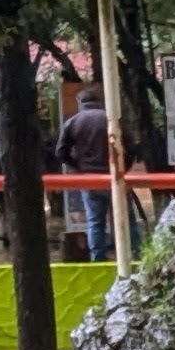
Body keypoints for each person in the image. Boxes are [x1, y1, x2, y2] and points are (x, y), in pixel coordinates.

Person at [53, 93, 114, 260]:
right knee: (125, 218)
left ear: (79, 101)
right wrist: (123, 169)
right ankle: (135, 256)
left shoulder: (73, 122)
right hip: (113, 176)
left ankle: (98, 259)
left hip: (89, 179)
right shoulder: (110, 119)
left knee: (95, 221)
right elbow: (130, 147)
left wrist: (77, 167)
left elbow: (60, 152)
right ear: (98, 101)